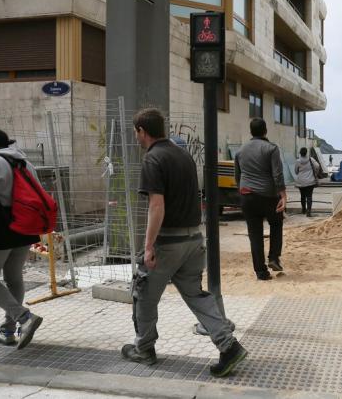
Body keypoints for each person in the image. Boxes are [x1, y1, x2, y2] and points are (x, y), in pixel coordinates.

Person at [122, 108, 246, 378]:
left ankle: (144, 349)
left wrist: (148, 247)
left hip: (168, 242)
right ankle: (229, 346)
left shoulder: (153, 159)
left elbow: (156, 205)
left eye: (136, 131)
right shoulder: (183, 155)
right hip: (193, 239)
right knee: (196, 296)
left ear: (142, 131)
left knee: (143, 295)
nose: (135, 136)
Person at [0, 128, 43, 349]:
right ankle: (8, 330)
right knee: (14, 278)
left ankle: (24, 318)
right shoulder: (26, 163)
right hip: (25, 228)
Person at [234, 118, 287, 280]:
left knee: (255, 234)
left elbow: (238, 176)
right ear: (265, 131)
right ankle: (273, 257)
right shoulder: (271, 148)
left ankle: (261, 272)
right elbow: (277, 174)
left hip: (247, 195)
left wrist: (243, 193)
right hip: (268, 196)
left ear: (251, 132)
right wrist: (283, 195)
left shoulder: (240, 151)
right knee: (276, 224)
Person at [294, 147, 320, 217]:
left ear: (300, 153)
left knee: (302, 196)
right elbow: (317, 166)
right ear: (306, 153)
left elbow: (296, 172)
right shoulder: (311, 159)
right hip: (310, 181)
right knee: (309, 196)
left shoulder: (298, 161)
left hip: (301, 182)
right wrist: (315, 173)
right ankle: (308, 212)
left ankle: (303, 210)